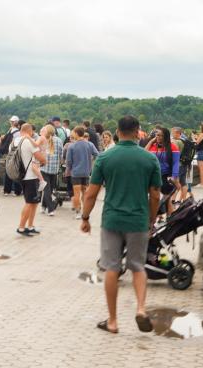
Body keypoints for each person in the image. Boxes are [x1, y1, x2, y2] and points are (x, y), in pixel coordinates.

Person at [80, 116, 161, 335]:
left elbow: (91, 193)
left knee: (112, 268)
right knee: (137, 266)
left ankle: (113, 321)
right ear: (138, 132)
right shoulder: (149, 159)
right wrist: (152, 219)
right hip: (138, 219)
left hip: (112, 219)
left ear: (117, 131)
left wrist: (85, 218)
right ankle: (141, 309)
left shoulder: (105, 157)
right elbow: (155, 195)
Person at [15, 123, 43, 235]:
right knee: (29, 202)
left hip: (20, 175)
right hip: (30, 175)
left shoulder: (15, 141)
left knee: (33, 202)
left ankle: (30, 226)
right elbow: (40, 158)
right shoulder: (28, 141)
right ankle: (21, 227)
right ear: (30, 131)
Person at [65, 127, 99, 218]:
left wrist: (70, 169)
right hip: (86, 172)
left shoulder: (71, 146)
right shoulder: (89, 144)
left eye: (73, 133)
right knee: (85, 193)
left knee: (76, 193)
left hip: (75, 173)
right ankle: (85, 212)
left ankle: (78, 212)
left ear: (76, 133)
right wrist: (91, 162)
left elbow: (68, 161)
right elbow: (97, 154)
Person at [146, 126, 180, 215]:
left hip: (166, 176)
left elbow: (176, 163)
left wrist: (174, 176)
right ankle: (155, 219)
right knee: (153, 198)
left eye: (161, 136)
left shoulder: (173, 147)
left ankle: (169, 220)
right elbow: (144, 154)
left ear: (166, 136)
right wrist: (151, 141)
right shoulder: (153, 146)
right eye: (157, 135)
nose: (158, 137)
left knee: (167, 199)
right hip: (153, 176)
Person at [38, 124, 62, 216]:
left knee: (46, 189)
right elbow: (61, 154)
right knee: (49, 189)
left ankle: (48, 208)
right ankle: (46, 208)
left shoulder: (42, 139)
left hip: (44, 167)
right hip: (54, 169)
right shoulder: (59, 141)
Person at [0, 117, 22, 196]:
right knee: (16, 172)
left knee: (8, 172)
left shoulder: (10, 130)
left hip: (8, 153)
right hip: (15, 154)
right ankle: (16, 191)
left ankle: (7, 190)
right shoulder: (18, 133)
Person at [172, 126, 195, 202]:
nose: (172, 133)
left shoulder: (176, 142)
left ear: (178, 133)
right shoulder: (184, 141)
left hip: (178, 165)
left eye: (173, 132)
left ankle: (173, 199)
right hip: (184, 164)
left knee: (176, 183)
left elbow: (174, 154)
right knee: (183, 183)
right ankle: (184, 200)